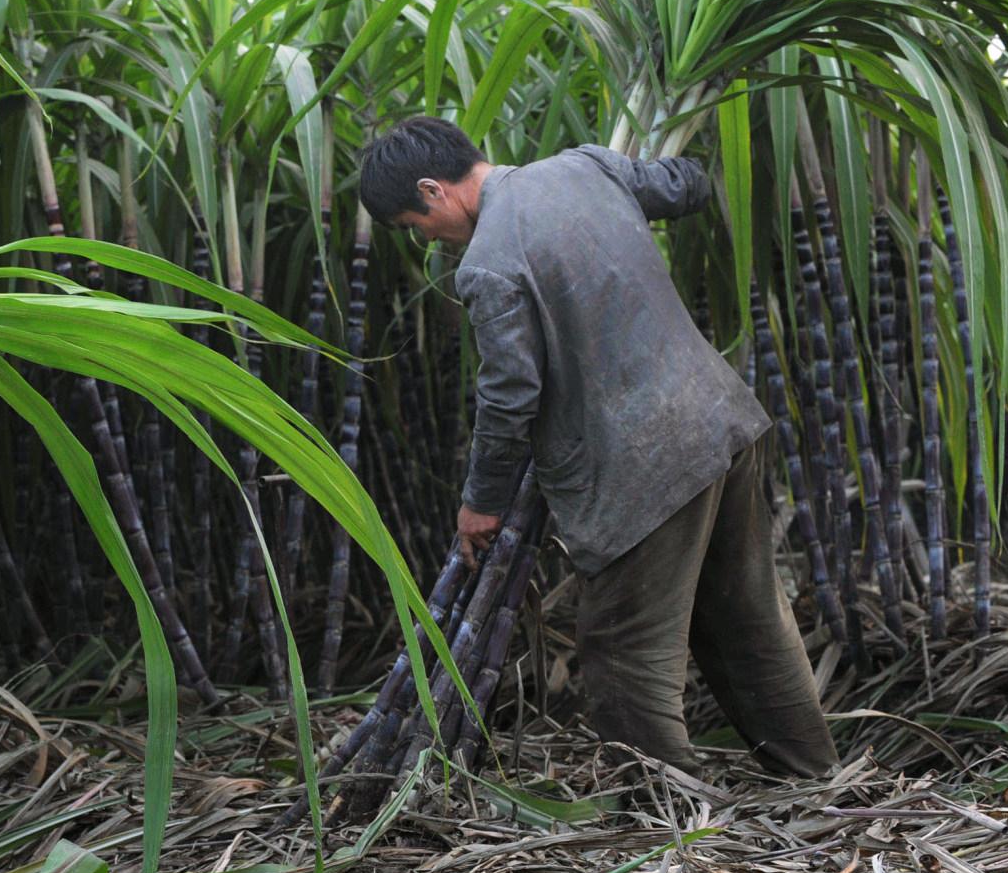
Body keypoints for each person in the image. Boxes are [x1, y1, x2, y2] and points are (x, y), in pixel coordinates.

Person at [356, 116, 838, 778]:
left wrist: (480, 503)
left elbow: (508, 396)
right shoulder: (585, 165)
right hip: (724, 424)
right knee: (747, 615)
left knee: (621, 646)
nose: (427, 240)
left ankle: (664, 819)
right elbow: (687, 184)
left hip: (646, 465)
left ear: (433, 190)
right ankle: (809, 775)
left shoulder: (489, 263)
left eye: (416, 225)